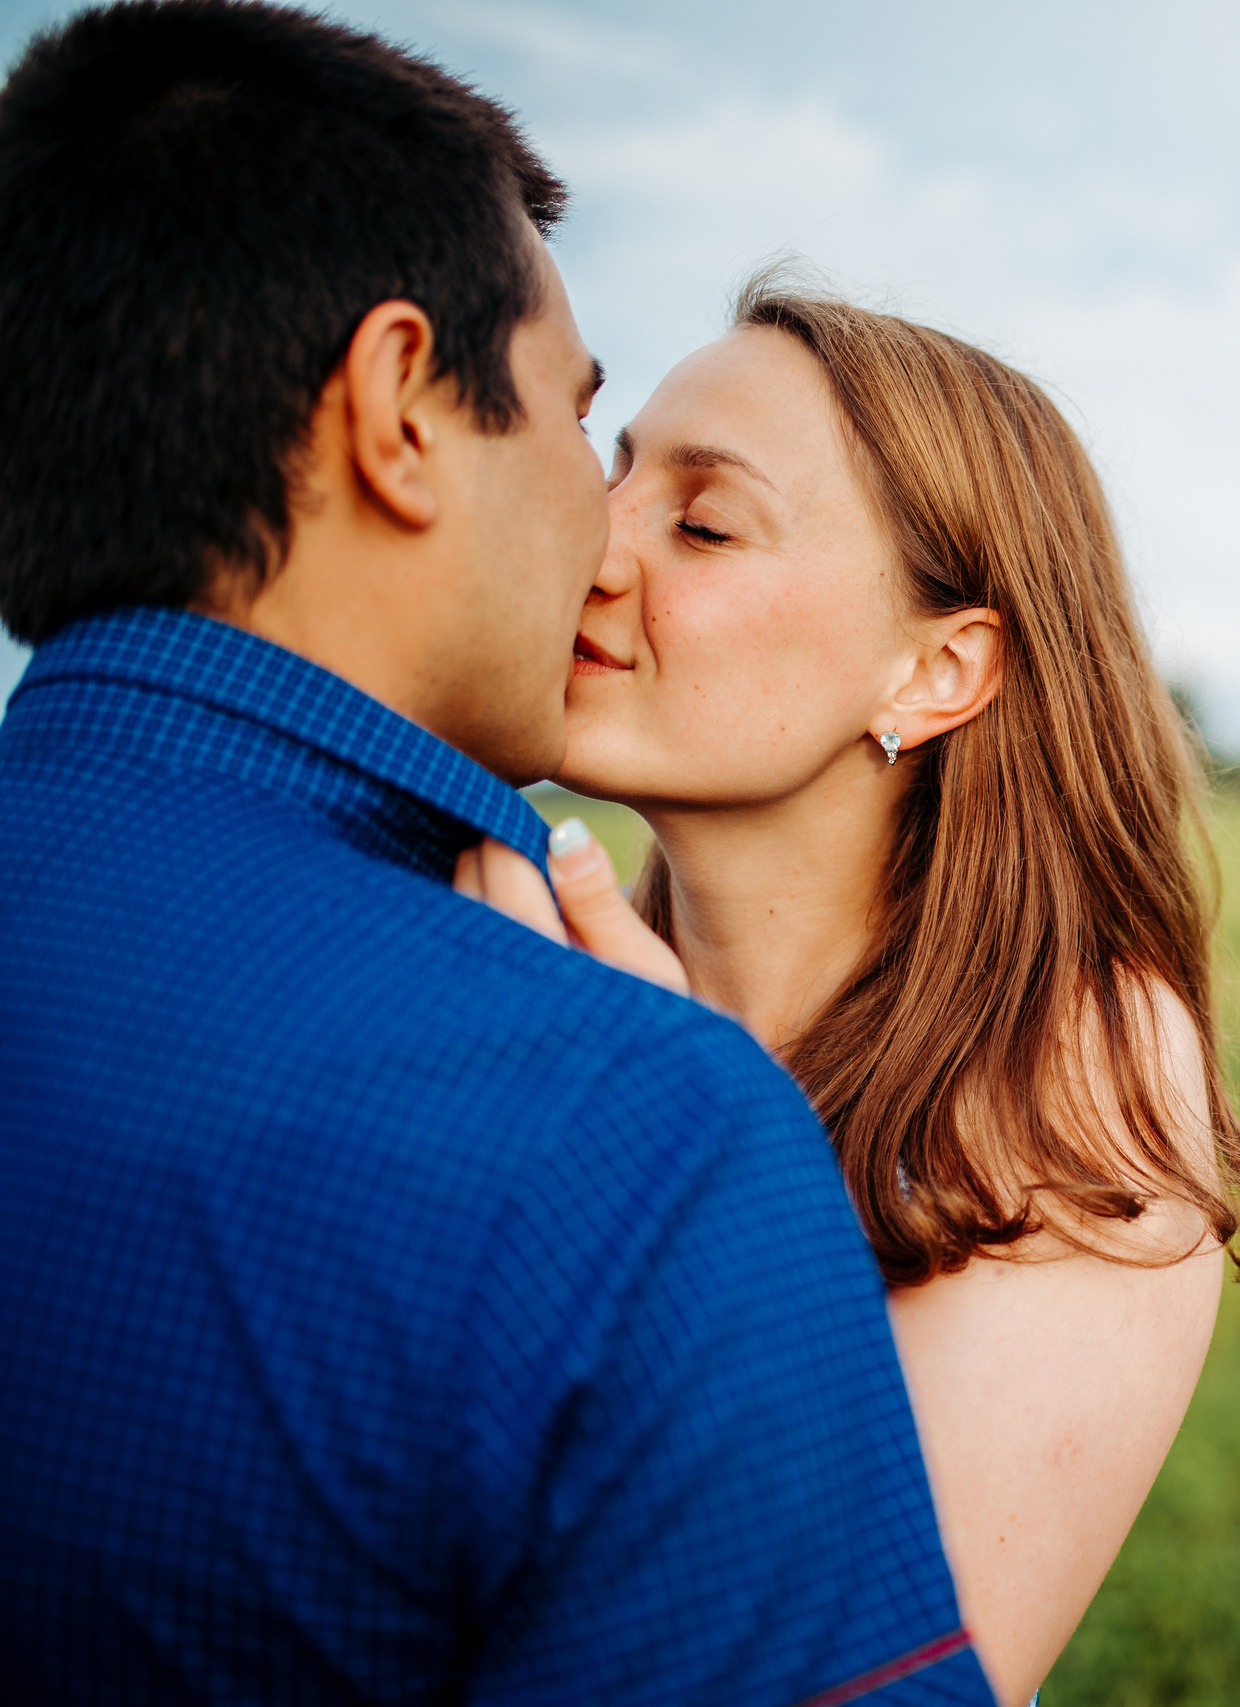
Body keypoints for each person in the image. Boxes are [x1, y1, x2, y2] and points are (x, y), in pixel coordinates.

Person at [0, 5, 991, 1702]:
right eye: (575, 427)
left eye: (697, 514)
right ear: (398, 410)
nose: (600, 544)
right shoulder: (633, 1132)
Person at [464, 282, 1240, 1706]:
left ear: (939, 667)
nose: (593, 548)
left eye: (707, 523)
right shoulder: (524, 947)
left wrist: (661, 1135)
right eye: (613, 471)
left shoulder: (1074, 1071)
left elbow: (854, 1667)